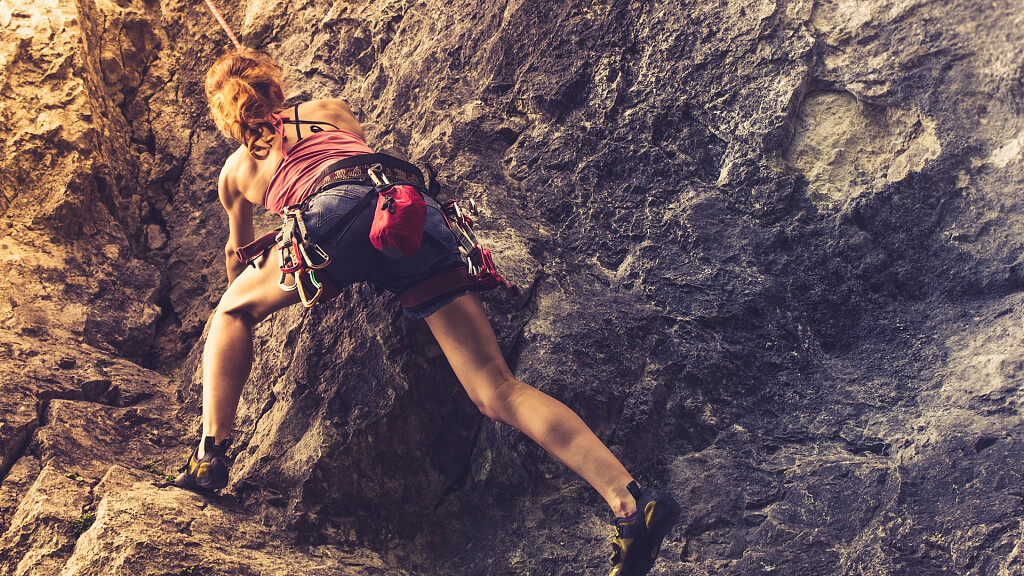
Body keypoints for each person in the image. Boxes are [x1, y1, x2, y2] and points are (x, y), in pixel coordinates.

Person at [173, 48, 678, 576]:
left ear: (222, 116)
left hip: (331, 218)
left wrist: (245, 294)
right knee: (497, 389)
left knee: (231, 314)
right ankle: (628, 499)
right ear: (275, 89)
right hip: (409, 215)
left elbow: (239, 254)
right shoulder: (329, 109)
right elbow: (351, 157)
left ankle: (210, 452)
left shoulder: (234, 173)